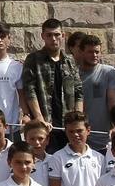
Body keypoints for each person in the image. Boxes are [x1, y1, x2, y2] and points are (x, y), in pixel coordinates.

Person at [20, 19, 82, 150]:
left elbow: (78, 92)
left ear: (63, 35)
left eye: (57, 35)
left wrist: (78, 119)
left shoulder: (70, 61)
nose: (53, 39)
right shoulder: (34, 59)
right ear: (43, 36)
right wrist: (39, 118)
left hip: (67, 125)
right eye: (49, 35)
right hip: (45, 124)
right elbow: (29, 90)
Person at [49, 110, 101, 186]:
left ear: (88, 131)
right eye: (71, 131)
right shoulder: (57, 158)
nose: (75, 135)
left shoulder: (100, 159)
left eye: (79, 131)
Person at [76, 34, 115, 150]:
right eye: (90, 52)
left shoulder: (108, 72)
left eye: (97, 52)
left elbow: (112, 100)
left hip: (104, 137)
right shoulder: (73, 73)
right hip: (80, 136)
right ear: (81, 52)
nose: (94, 55)